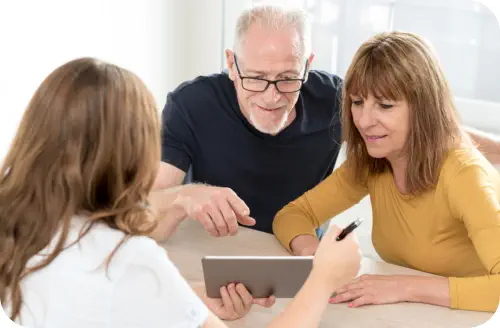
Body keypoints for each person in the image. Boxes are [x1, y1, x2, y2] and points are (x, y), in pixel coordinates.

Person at [0, 57, 362, 328]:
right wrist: (322, 279)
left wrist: (186, 295)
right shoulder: (128, 259)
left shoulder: (20, 227)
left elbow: (107, 295)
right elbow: (129, 279)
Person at [152, 5, 500, 242]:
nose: (272, 96)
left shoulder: (336, 100)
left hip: (297, 252)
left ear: (308, 65)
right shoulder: (190, 104)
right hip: (212, 250)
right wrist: (184, 195)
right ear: (231, 64)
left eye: (288, 77)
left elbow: (429, 130)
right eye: (256, 78)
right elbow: (140, 218)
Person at [273, 31, 500, 313]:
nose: (365, 122)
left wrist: (404, 287)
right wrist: (315, 256)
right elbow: (293, 215)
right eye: (357, 102)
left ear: (423, 108)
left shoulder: (464, 176)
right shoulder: (373, 162)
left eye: (385, 105)